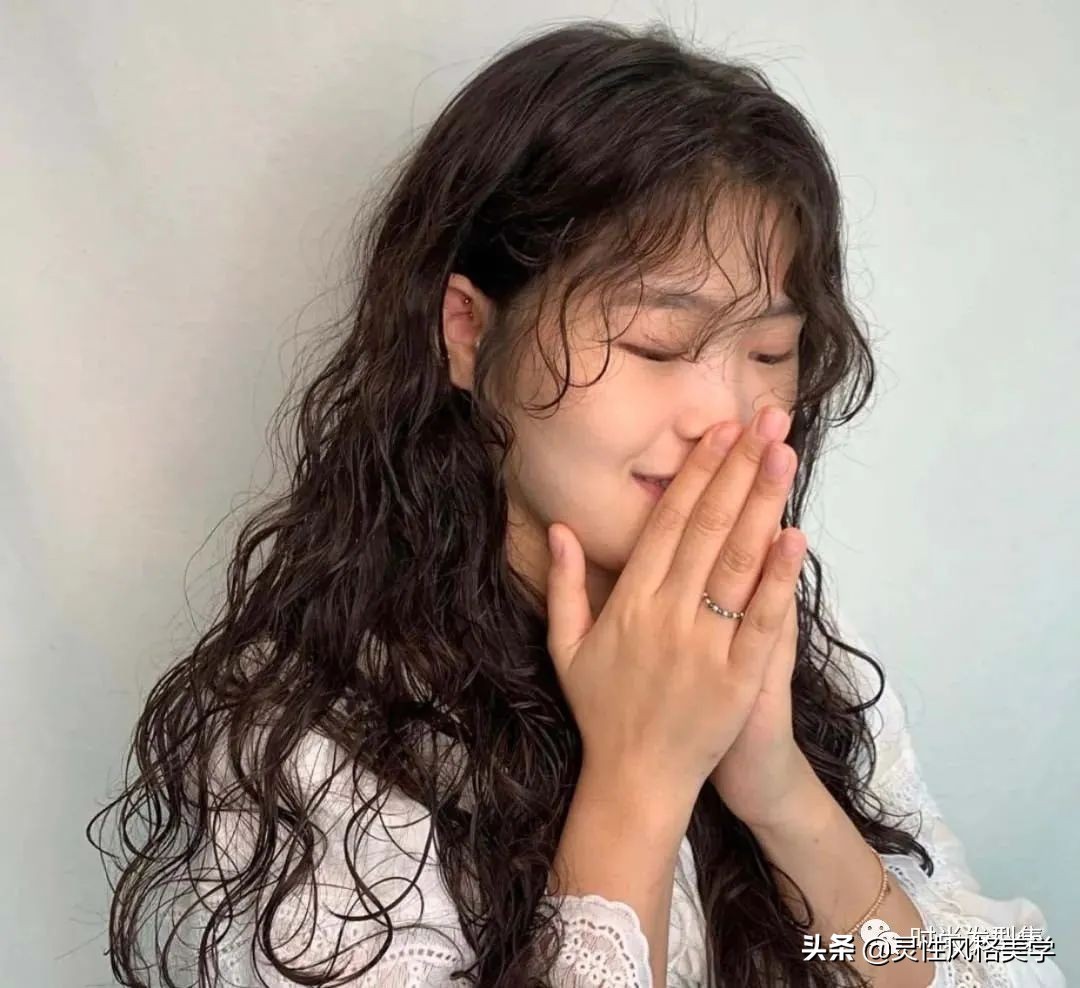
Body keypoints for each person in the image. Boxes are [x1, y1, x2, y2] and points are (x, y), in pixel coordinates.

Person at [89, 19, 1065, 988]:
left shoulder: (793, 635)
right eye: (654, 344)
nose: (725, 417)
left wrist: (780, 792)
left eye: (769, 352)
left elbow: (1010, 968)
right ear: (468, 332)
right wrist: (639, 783)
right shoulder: (310, 737)